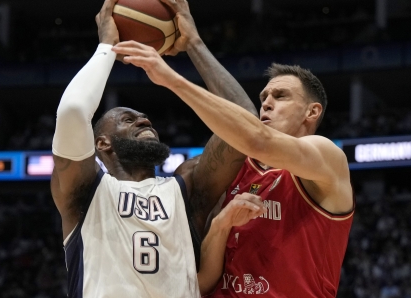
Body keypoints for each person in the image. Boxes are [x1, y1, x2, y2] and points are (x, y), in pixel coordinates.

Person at [111, 6, 355, 296]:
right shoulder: (236, 168)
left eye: (280, 96)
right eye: (264, 97)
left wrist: (172, 79)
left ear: (312, 111)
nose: (266, 103)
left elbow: (257, 139)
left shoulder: (326, 158)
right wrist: (192, 43)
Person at [50, 0, 263, 297]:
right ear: (102, 143)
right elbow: (73, 111)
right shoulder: (85, 191)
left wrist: (195, 45)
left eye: (144, 117)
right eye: (128, 119)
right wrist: (107, 47)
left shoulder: (186, 186)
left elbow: (245, 125)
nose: (144, 119)